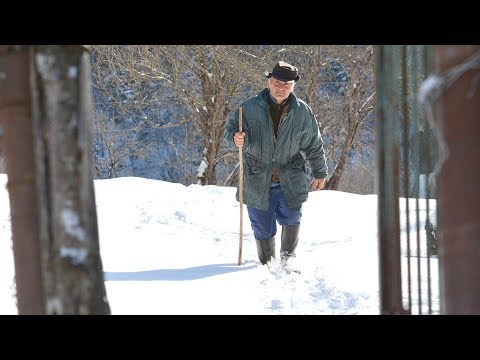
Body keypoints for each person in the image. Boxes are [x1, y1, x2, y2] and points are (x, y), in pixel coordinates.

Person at [223, 61, 328, 268]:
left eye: (286, 85)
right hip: (256, 177)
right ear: (269, 82)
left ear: (293, 87)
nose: (281, 88)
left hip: (290, 175)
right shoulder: (248, 108)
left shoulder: (302, 112)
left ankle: (288, 261)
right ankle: (267, 265)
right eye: (277, 83)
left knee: (291, 217)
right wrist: (235, 138)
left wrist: (320, 172)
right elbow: (230, 130)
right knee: (262, 227)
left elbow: (314, 144)